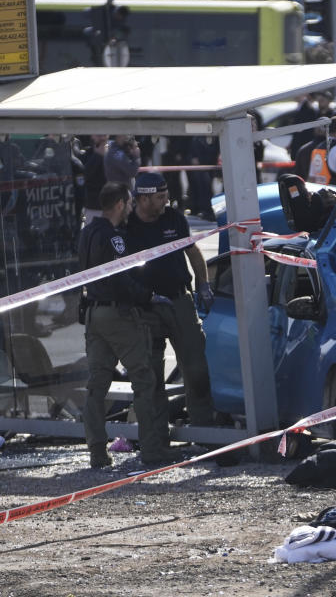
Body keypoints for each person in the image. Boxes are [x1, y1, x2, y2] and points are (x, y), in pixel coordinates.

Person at [78, 181, 178, 468]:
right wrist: (148, 296)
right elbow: (120, 279)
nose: (131, 208)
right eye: (130, 202)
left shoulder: (87, 233)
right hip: (116, 314)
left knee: (97, 384)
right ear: (120, 203)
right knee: (144, 377)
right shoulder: (113, 238)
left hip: (93, 314)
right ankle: (152, 449)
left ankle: (97, 451)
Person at [126, 172, 219, 426]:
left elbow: (193, 252)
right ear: (142, 199)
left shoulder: (174, 219)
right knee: (152, 375)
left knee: (197, 368)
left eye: (166, 195)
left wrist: (203, 286)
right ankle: (157, 437)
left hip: (179, 300)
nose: (165, 201)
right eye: (159, 197)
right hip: (146, 308)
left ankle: (203, 427)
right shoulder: (127, 226)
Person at [81, 134, 109, 225]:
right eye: (98, 135)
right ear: (92, 136)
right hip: (94, 205)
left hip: (113, 204)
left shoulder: (114, 152)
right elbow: (83, 176)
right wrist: (98, 156)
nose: (102, 137)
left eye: (104, 134)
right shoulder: (87, 154)